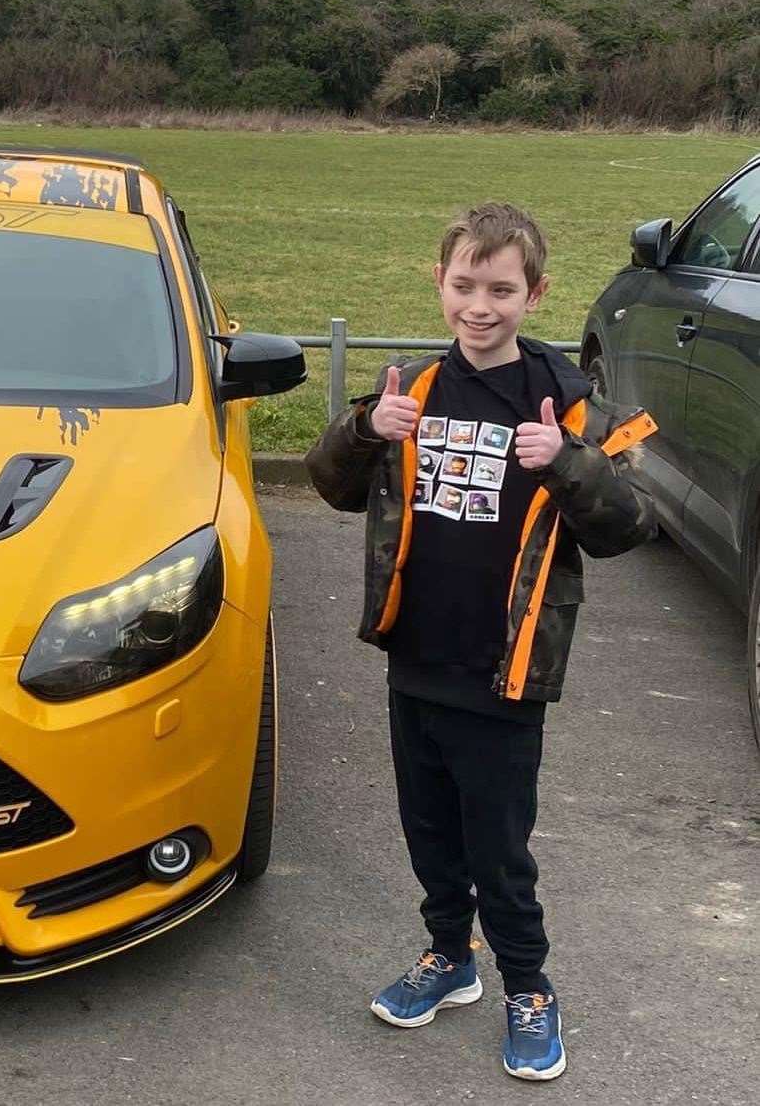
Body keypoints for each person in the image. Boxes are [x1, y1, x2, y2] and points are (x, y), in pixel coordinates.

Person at [304, 203, 659, 1082]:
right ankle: (448, 958)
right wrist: (360, 432)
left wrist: (565, 462)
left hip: (505, 672)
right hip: (415, 657)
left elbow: (628, 526)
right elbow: (332, 486)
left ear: (534, 294)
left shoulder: (570, 403)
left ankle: (529, 988)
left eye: (501, 289)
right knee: (428, 828)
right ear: (440, 284)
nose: (480, 305)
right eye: (464, 285)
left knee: (498, 846)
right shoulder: (412, 391)